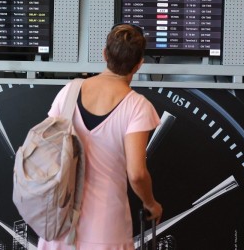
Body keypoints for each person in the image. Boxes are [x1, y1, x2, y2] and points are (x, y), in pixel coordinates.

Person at [38, 24, 162, 249]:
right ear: (139, 64)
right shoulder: (137, 106)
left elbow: (47, 149)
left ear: (104, 54)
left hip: (60, 218)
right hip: (106, 226)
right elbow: (136, 174)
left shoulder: (69, 91)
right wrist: (150, 203)